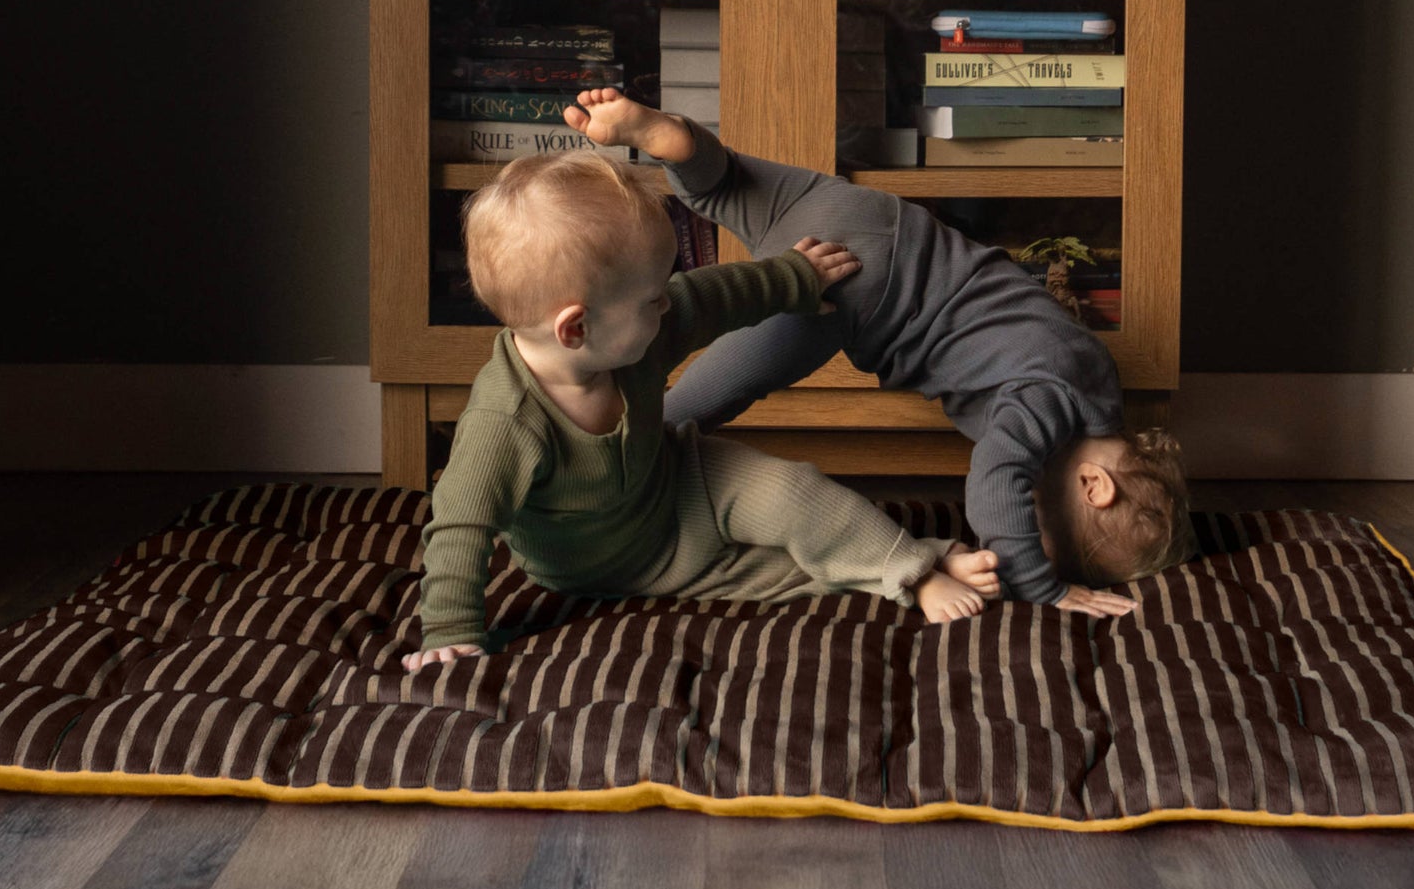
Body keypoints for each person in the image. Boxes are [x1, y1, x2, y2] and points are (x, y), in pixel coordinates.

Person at [561, 94, 1190, 612]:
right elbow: (995, 483)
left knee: (731, 188)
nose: (1025, 530)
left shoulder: (1097, 382)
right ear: (1093, 485)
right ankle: (602, 468)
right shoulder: (1048, 407)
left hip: (877, 220)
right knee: (692, 409)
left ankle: (671, 139)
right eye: (1045, 527)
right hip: (858, 285)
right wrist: (1044, 585)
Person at [406, 151, 1001, 664]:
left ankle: (912, 566)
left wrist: (794, 275)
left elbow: (712, 297)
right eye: (652, 298)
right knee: (798, 571)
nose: (667, 304)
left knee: (790, 492)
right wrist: (451, 630)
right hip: (607, 566)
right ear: (575, 328)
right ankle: (910, 568)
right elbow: (462, 525)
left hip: (677, 479)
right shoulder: (503, 423)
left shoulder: (630, 333)